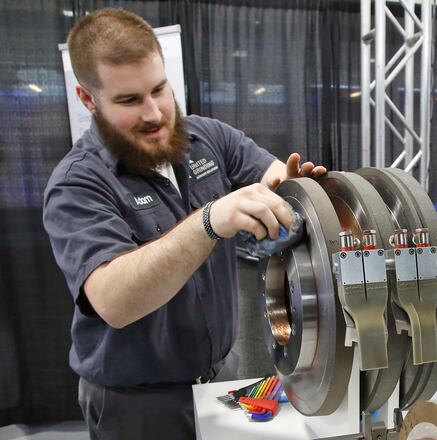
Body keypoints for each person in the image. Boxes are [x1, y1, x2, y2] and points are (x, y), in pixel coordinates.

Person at [42, 8, 325, 439]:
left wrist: (294, 190)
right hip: (138, 405)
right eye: (129, 100)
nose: (155, 113)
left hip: (219, 378)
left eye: (159, 89)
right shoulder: (77, 184)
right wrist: (210, 221)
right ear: (88, 99)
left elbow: (275, 179)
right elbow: (113, 301)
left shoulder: (207, 138)